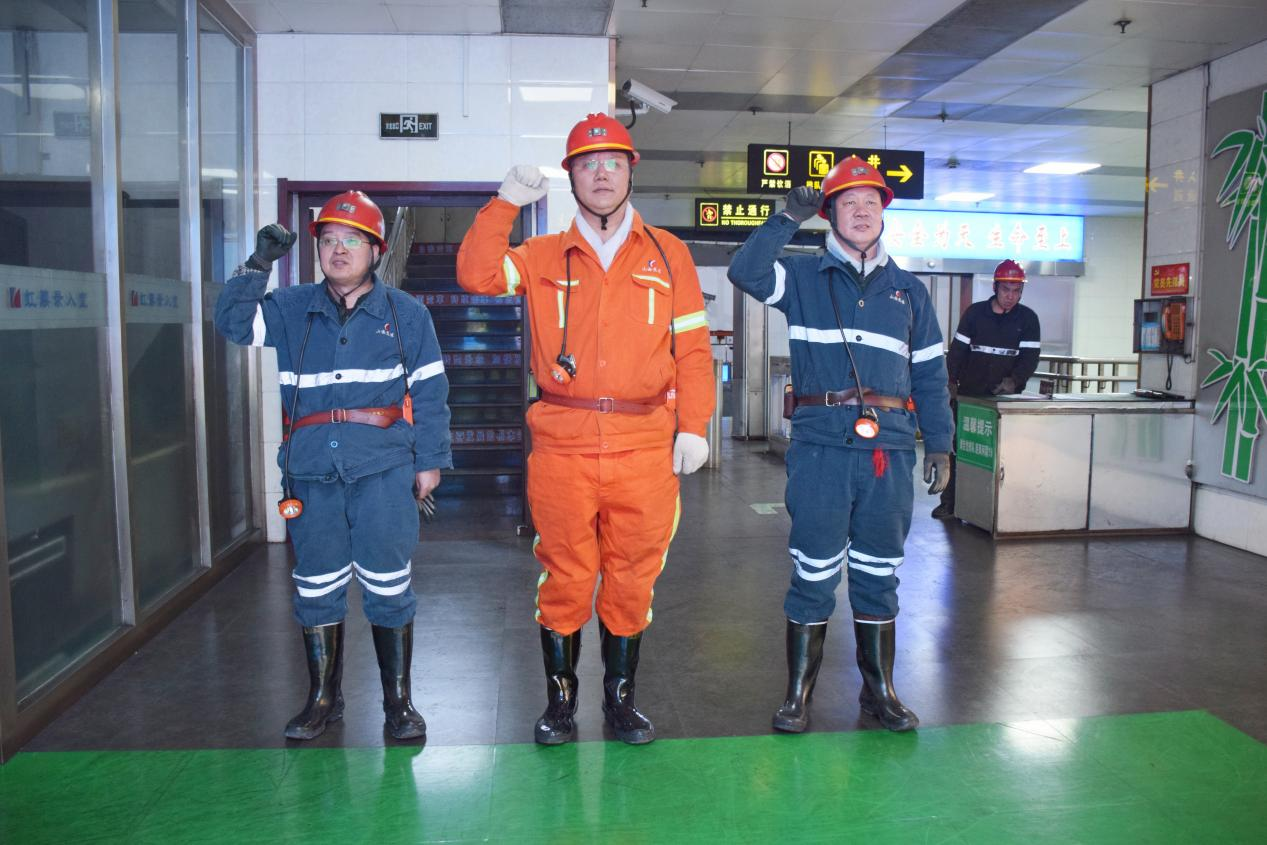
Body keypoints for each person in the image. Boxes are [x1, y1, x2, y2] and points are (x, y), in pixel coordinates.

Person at [456, 113, 715, 746]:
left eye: (614, 163)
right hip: (563, 444)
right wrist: (504, 205)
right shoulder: (542, 255)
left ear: (631, 173)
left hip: (643, 444)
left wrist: (694, 424)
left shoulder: (668, 254)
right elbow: (476, 274)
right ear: (570, 176)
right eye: (588, 164)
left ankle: (621, 702)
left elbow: (692, 350)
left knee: (632, 575)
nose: (602, 174)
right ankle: (561, 705)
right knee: (566, 574)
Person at [214, 190, 452, 741]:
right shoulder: (290, 308)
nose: (338, 250)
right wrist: (257, 265)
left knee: (389, 585)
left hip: (383, 471)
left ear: (376, 250)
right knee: (316, 584)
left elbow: (431, 391)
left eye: (352, 240)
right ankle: (323, 699)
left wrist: (431, 461)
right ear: (316, 249)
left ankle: (398, 703)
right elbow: (233, 324)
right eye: (328, 240)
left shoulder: (407, 314)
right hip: (312, 472)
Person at [727, 156, 953, 733]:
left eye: (871, 202)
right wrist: (786, 218)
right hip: (821, 449)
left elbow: (930, 374)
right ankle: (798, 694)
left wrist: (940, 444)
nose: (862, 211)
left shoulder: (910, 292)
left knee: (879, 570)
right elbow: (746, 272)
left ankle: (879, 691)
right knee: (814, 569)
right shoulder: (802, 277)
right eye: (848, 202)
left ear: (884, 213)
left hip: (888, 453)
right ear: (829, 214)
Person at [932, 258, 1041, 519]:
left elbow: (1029, 358)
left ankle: (999, 508)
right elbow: (957, 351)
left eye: (1016, 291)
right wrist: (951, 382)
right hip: (968, 396)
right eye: (1005, 289)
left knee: (1003, 453)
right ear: (995, 287)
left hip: (1004, 402)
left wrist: (1014, 381)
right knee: (958, 449)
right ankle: (951, 503)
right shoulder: (975, 314)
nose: (1010, 296)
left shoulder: (1028, 319)